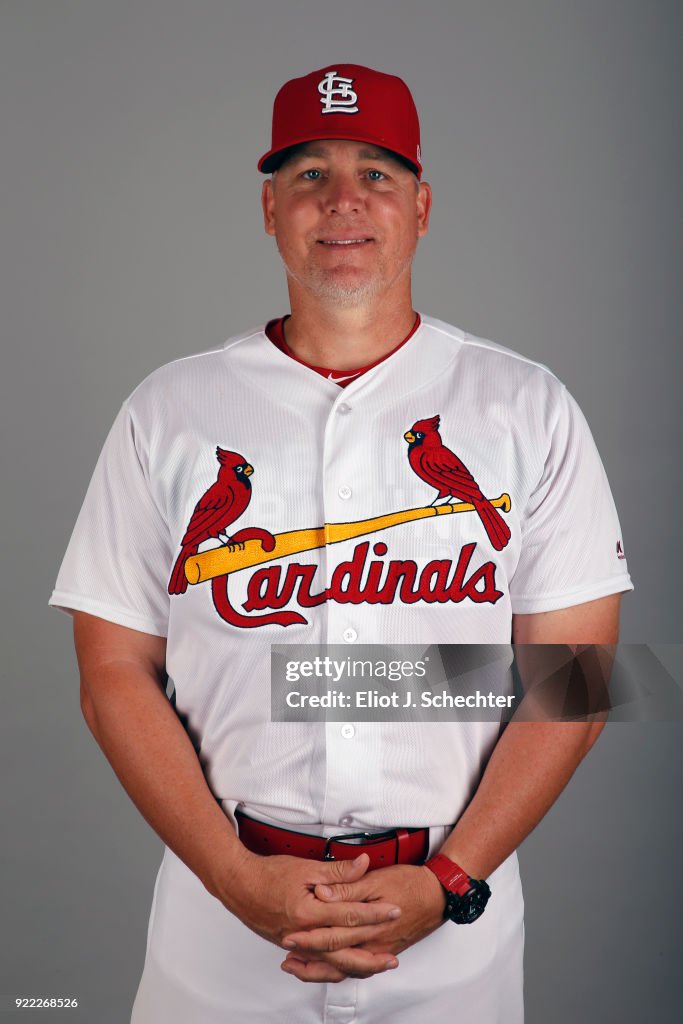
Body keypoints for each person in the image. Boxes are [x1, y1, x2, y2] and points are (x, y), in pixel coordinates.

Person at [49, 63, 633, 1023]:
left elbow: (576, 671)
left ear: (423, 205)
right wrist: (233, 878)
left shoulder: (525, 406)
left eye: (377, 173)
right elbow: (112, 668)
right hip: (220, 921)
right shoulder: (169, 410)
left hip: (455, 923)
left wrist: (449, 879)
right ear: (270, 207)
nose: (343, 201)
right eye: (310, 175)